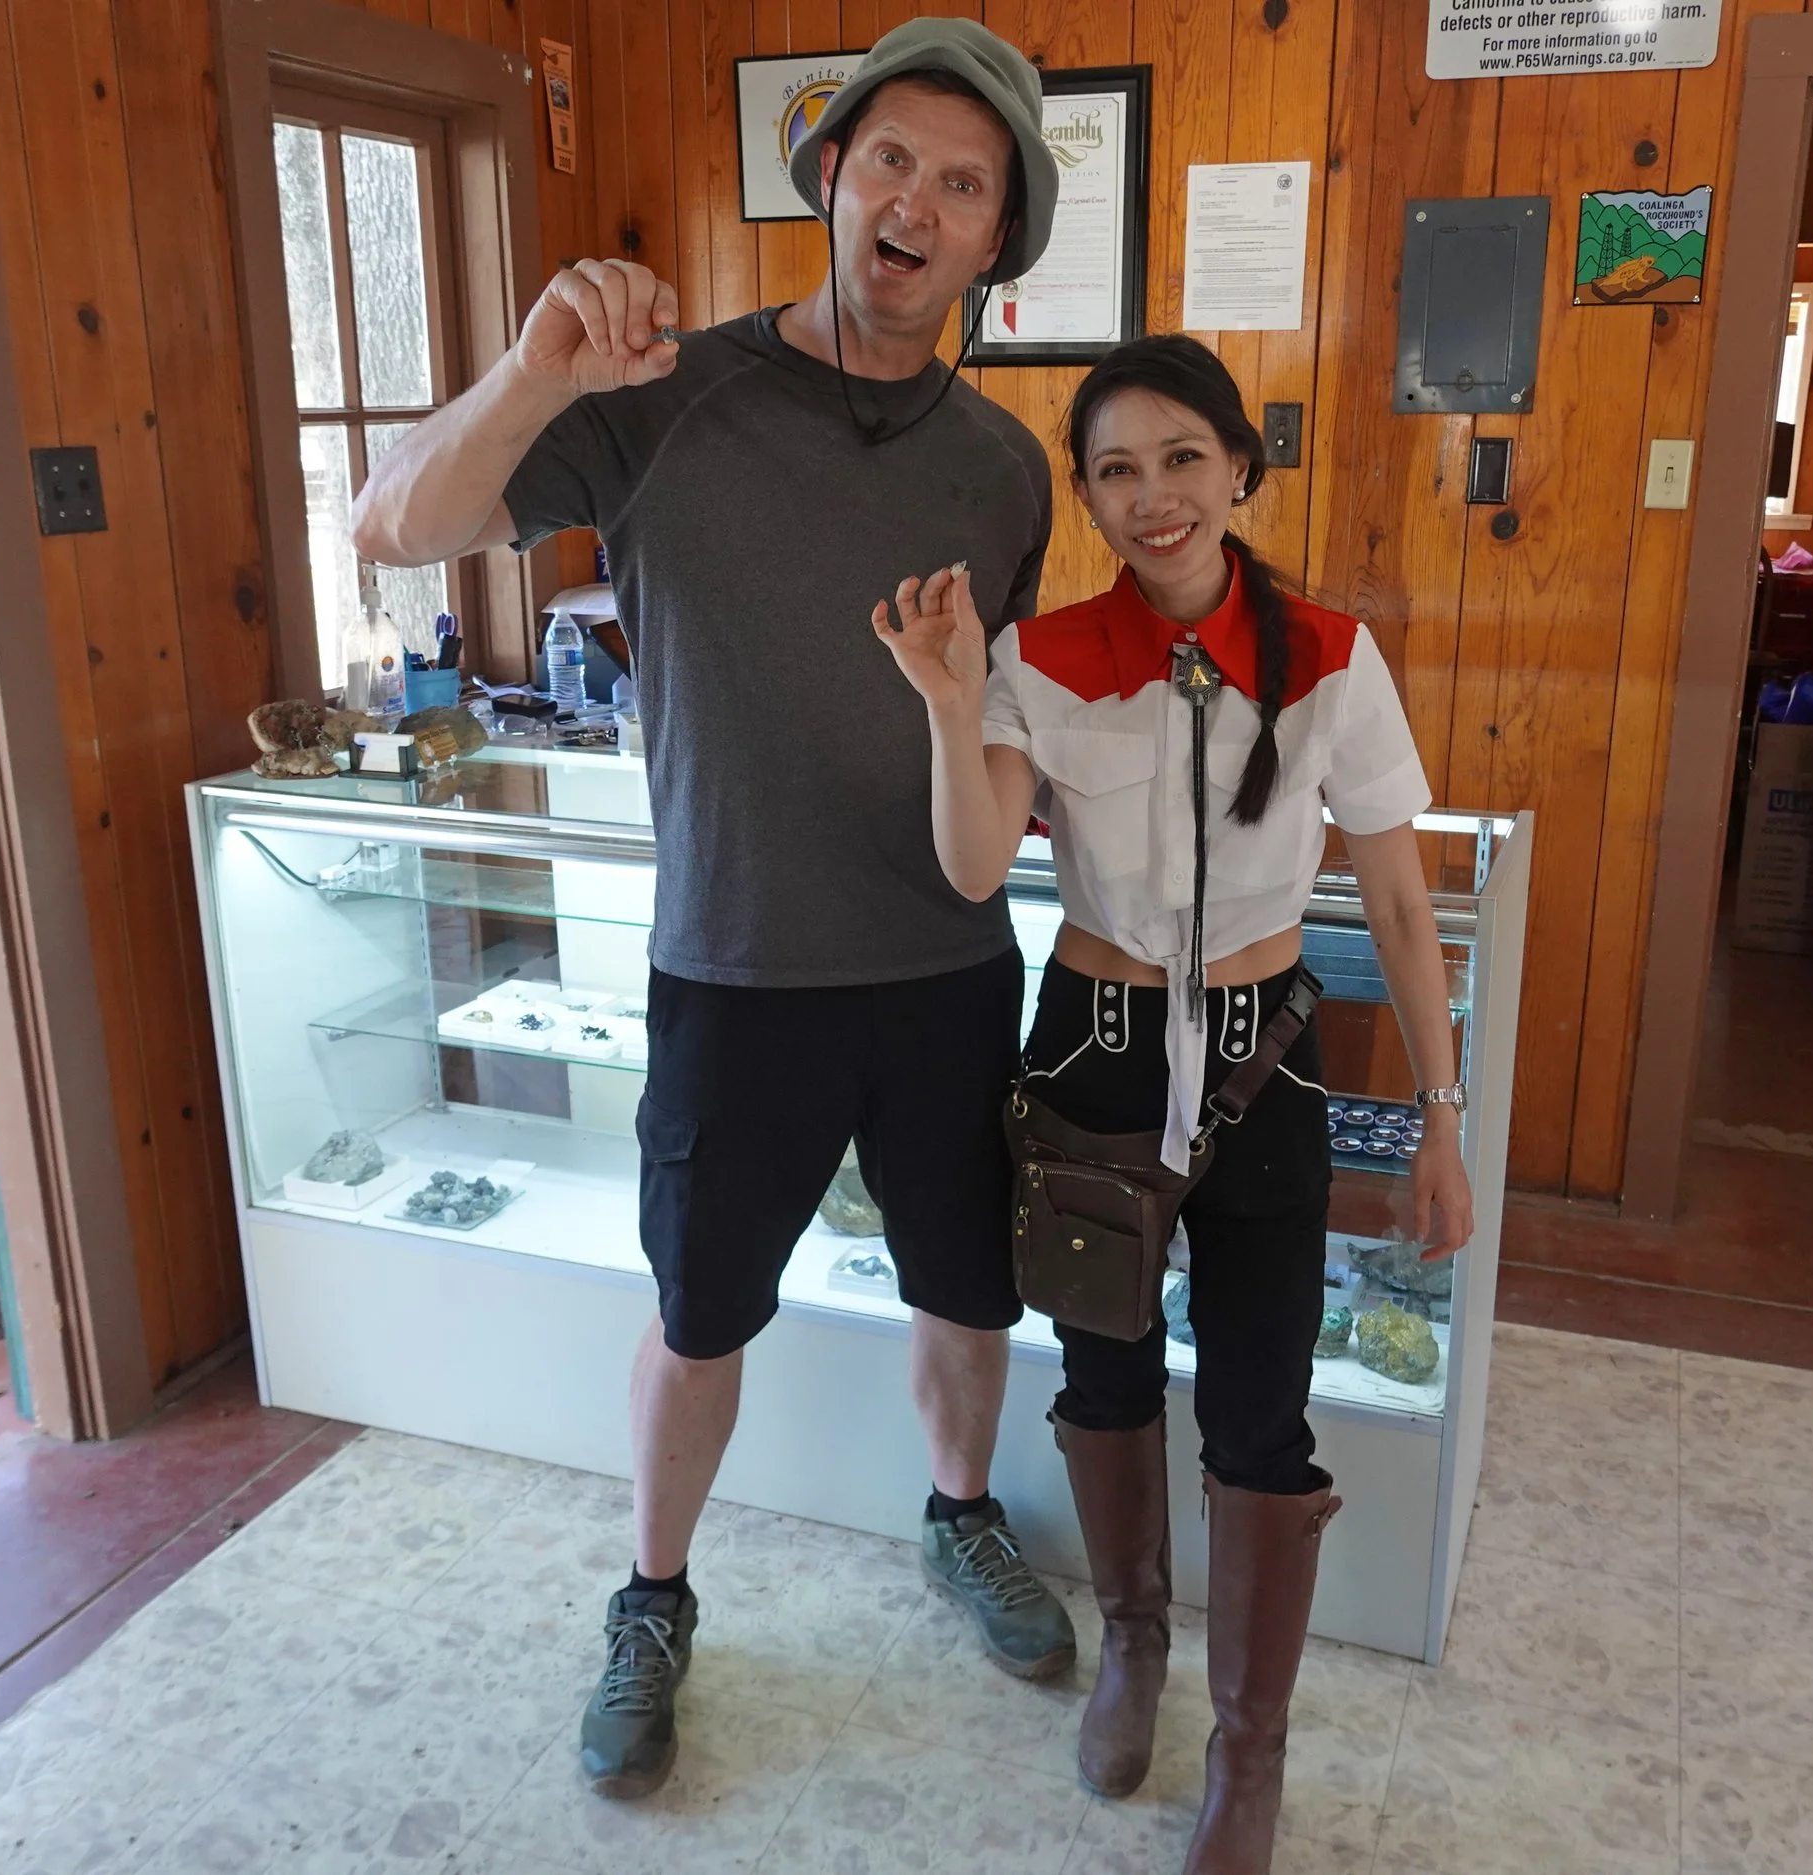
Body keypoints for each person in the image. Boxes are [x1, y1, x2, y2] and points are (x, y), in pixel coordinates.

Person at [350, 16, 1079, 1801]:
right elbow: (391, 523)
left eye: (963, 183)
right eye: (891, 158)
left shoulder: (1004, 471)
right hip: (735, 964)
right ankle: (654, 1595)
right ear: (830, 174)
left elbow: (994, 721)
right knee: (698, 1316)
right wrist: (534, 373)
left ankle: (961, 1513)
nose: (917, 201)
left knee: (967, 1289)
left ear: (997, 241)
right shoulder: (660, 394)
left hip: (946, 965)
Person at [870, 334, 1475, 1874]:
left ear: (1240, 468)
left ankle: (1249, 1749)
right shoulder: (1047, 657)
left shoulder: (1331, 657)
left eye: (1183, 458)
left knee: (1265, 1408)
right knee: (1107, 1371)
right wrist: (947, 698)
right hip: (1096, 1052)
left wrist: (1446, 1116)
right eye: (1117, 470)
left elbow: (1403, 904)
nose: (1154, 497)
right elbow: (973, 864)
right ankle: (1134, 1643)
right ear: (1086, 495)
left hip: (1268, 1061)